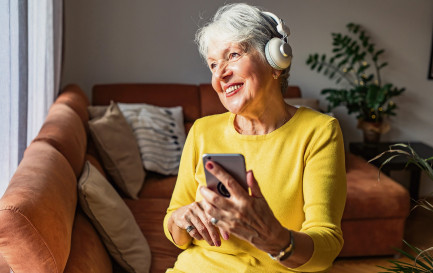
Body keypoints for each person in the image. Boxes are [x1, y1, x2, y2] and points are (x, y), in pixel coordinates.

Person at [163, 3, 346, 272]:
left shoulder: (318, 131)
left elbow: (327, 247)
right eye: (213, 64)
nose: (220, 74)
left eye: (233, 55)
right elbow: (174, 229)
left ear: (276, 63)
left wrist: (276, 240)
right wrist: (182, 219)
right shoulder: (202, 131)